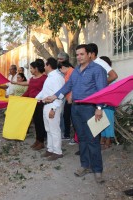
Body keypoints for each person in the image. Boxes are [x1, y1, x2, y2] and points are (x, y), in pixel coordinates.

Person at [45, 44, 107, 183]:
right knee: (82, 139)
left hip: (90, 109)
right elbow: (68, 86)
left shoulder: (98, 69)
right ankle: (85, 165)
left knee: (93, 140)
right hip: (76, 108)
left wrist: (99, 108)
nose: (79, 57)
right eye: (77, 54)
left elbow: (102, 90)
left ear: (89, 54)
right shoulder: (76, 70)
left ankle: (97, 170)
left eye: (82, 54)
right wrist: (55, 96)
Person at [88, 43, 118, 149]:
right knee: (100, 118)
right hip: (95, 97)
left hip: (104, 97)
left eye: (85, 53)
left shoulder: (100, 63)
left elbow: (114, 75)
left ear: (92, 53)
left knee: (107, 117)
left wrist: (102, 84)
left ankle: (108, 140)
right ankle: (102, 138)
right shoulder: (89, 64)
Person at [35, 57, 65, 161]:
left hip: (53, 106)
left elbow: (60, 94)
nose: (43, 67)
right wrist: (35, 99)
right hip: (46, 105)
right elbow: (44, 92)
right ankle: (50, 149)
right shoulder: (49, 77)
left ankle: (57, 151)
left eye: (45, 65)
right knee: (48, 129)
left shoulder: (57, 77)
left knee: (54, 129)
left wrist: (54, 108)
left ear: (48, 66)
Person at [22, 59, 47, 150]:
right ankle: (37, 139)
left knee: (41, 123)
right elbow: (29, 91)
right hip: (31, 104)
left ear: (36, 69)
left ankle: (41, 141)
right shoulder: (32, 79)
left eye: (31, 68)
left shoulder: (44, 78)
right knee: (36, 122)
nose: (30, 70)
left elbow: (46, 91)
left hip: (40, 104)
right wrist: (21, 98)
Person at [99, 56, 117, 149]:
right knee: (102, 121)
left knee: (109, 121)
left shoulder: (112, 76)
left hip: (109, 103)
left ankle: (108, 140)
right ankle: (103, 137)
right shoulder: (100, 75)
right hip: (101, 103)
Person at [57, 61, 74, 140]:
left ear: (63, 67)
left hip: (72, 99)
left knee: (72, 117)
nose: (61, 72)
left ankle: (73, 136)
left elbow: (74, 85)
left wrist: (71, 96)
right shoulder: (67, 73)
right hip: (68, 98)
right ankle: (67, 134)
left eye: (60, 70)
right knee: (66, 116)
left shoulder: (72, 72)